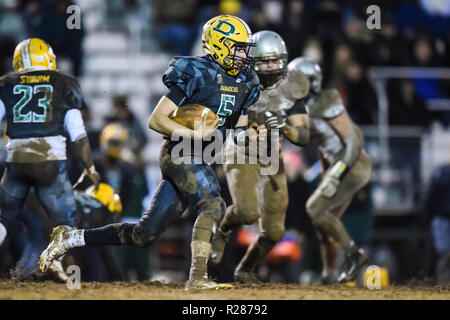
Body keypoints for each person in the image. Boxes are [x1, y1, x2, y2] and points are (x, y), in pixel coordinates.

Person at [39, 15, 261, 290]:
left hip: (201, 157)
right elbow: (156, 119)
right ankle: (198, 278)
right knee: (213, 204)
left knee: (145, 233)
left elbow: (239, 126)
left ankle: (70, 238)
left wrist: (251, 134)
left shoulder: (246, 80)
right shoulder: (197, 72)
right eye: (238, 47)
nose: (243, 54)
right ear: (219, 45)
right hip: (180, 151)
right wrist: (194, 133)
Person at [209, 30, 310, 283]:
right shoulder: (239, 83)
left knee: (275, 231)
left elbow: (303, 135)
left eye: (275, 60)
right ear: (252, 62)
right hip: (241, 151)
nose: (271, 66)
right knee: (247, 212)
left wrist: (283, 126)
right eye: (265, 61)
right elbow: (227, 122)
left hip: (272, 157)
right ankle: (222, 230)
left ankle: (245, 269)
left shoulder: (292, 86)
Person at [0, 38, 99, 274]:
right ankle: (55, 261)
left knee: (4, 217)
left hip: (16, 159)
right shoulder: (64, 83)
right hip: (49, 162)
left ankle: (44, 264)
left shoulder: (6, 83)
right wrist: (90, 168)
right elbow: (78, 135)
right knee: (65, 221)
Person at [289, 57, 372, 284]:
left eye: (298, 80)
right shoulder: (304, 108)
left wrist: (336, 175)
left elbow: (353, 143)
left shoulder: (328, 99)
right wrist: (328, 173)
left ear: (312, 82)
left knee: (314, 208)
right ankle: (330, 275)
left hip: (353, 164)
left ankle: (355, 254)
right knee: (324, 224)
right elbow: (322, 148)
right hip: (340, 165)